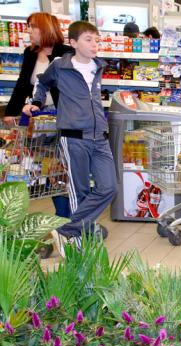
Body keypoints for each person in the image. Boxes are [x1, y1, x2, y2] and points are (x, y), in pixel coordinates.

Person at [23, 21, 117, 257]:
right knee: (80, 193)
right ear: (73, 43)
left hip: (100, 137)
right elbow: (42, 82)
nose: (94, 44)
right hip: (73, 137)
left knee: (109, 187)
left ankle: (65, 230)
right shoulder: (60, 66)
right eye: (88, 39)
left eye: (97, 40)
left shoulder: (98, 66)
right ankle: (78, 251)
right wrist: (36, 102)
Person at [4, 13, 74, 218]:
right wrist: (11, 112)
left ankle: (71, 216)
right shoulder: (30, 53)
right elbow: (22, 84)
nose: (28, 32)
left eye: (32, 27)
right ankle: (62, 216)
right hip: (40, 121)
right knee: (49, 167)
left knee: (65, 168)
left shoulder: (66, 53)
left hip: (64, 119)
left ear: (44, 29)